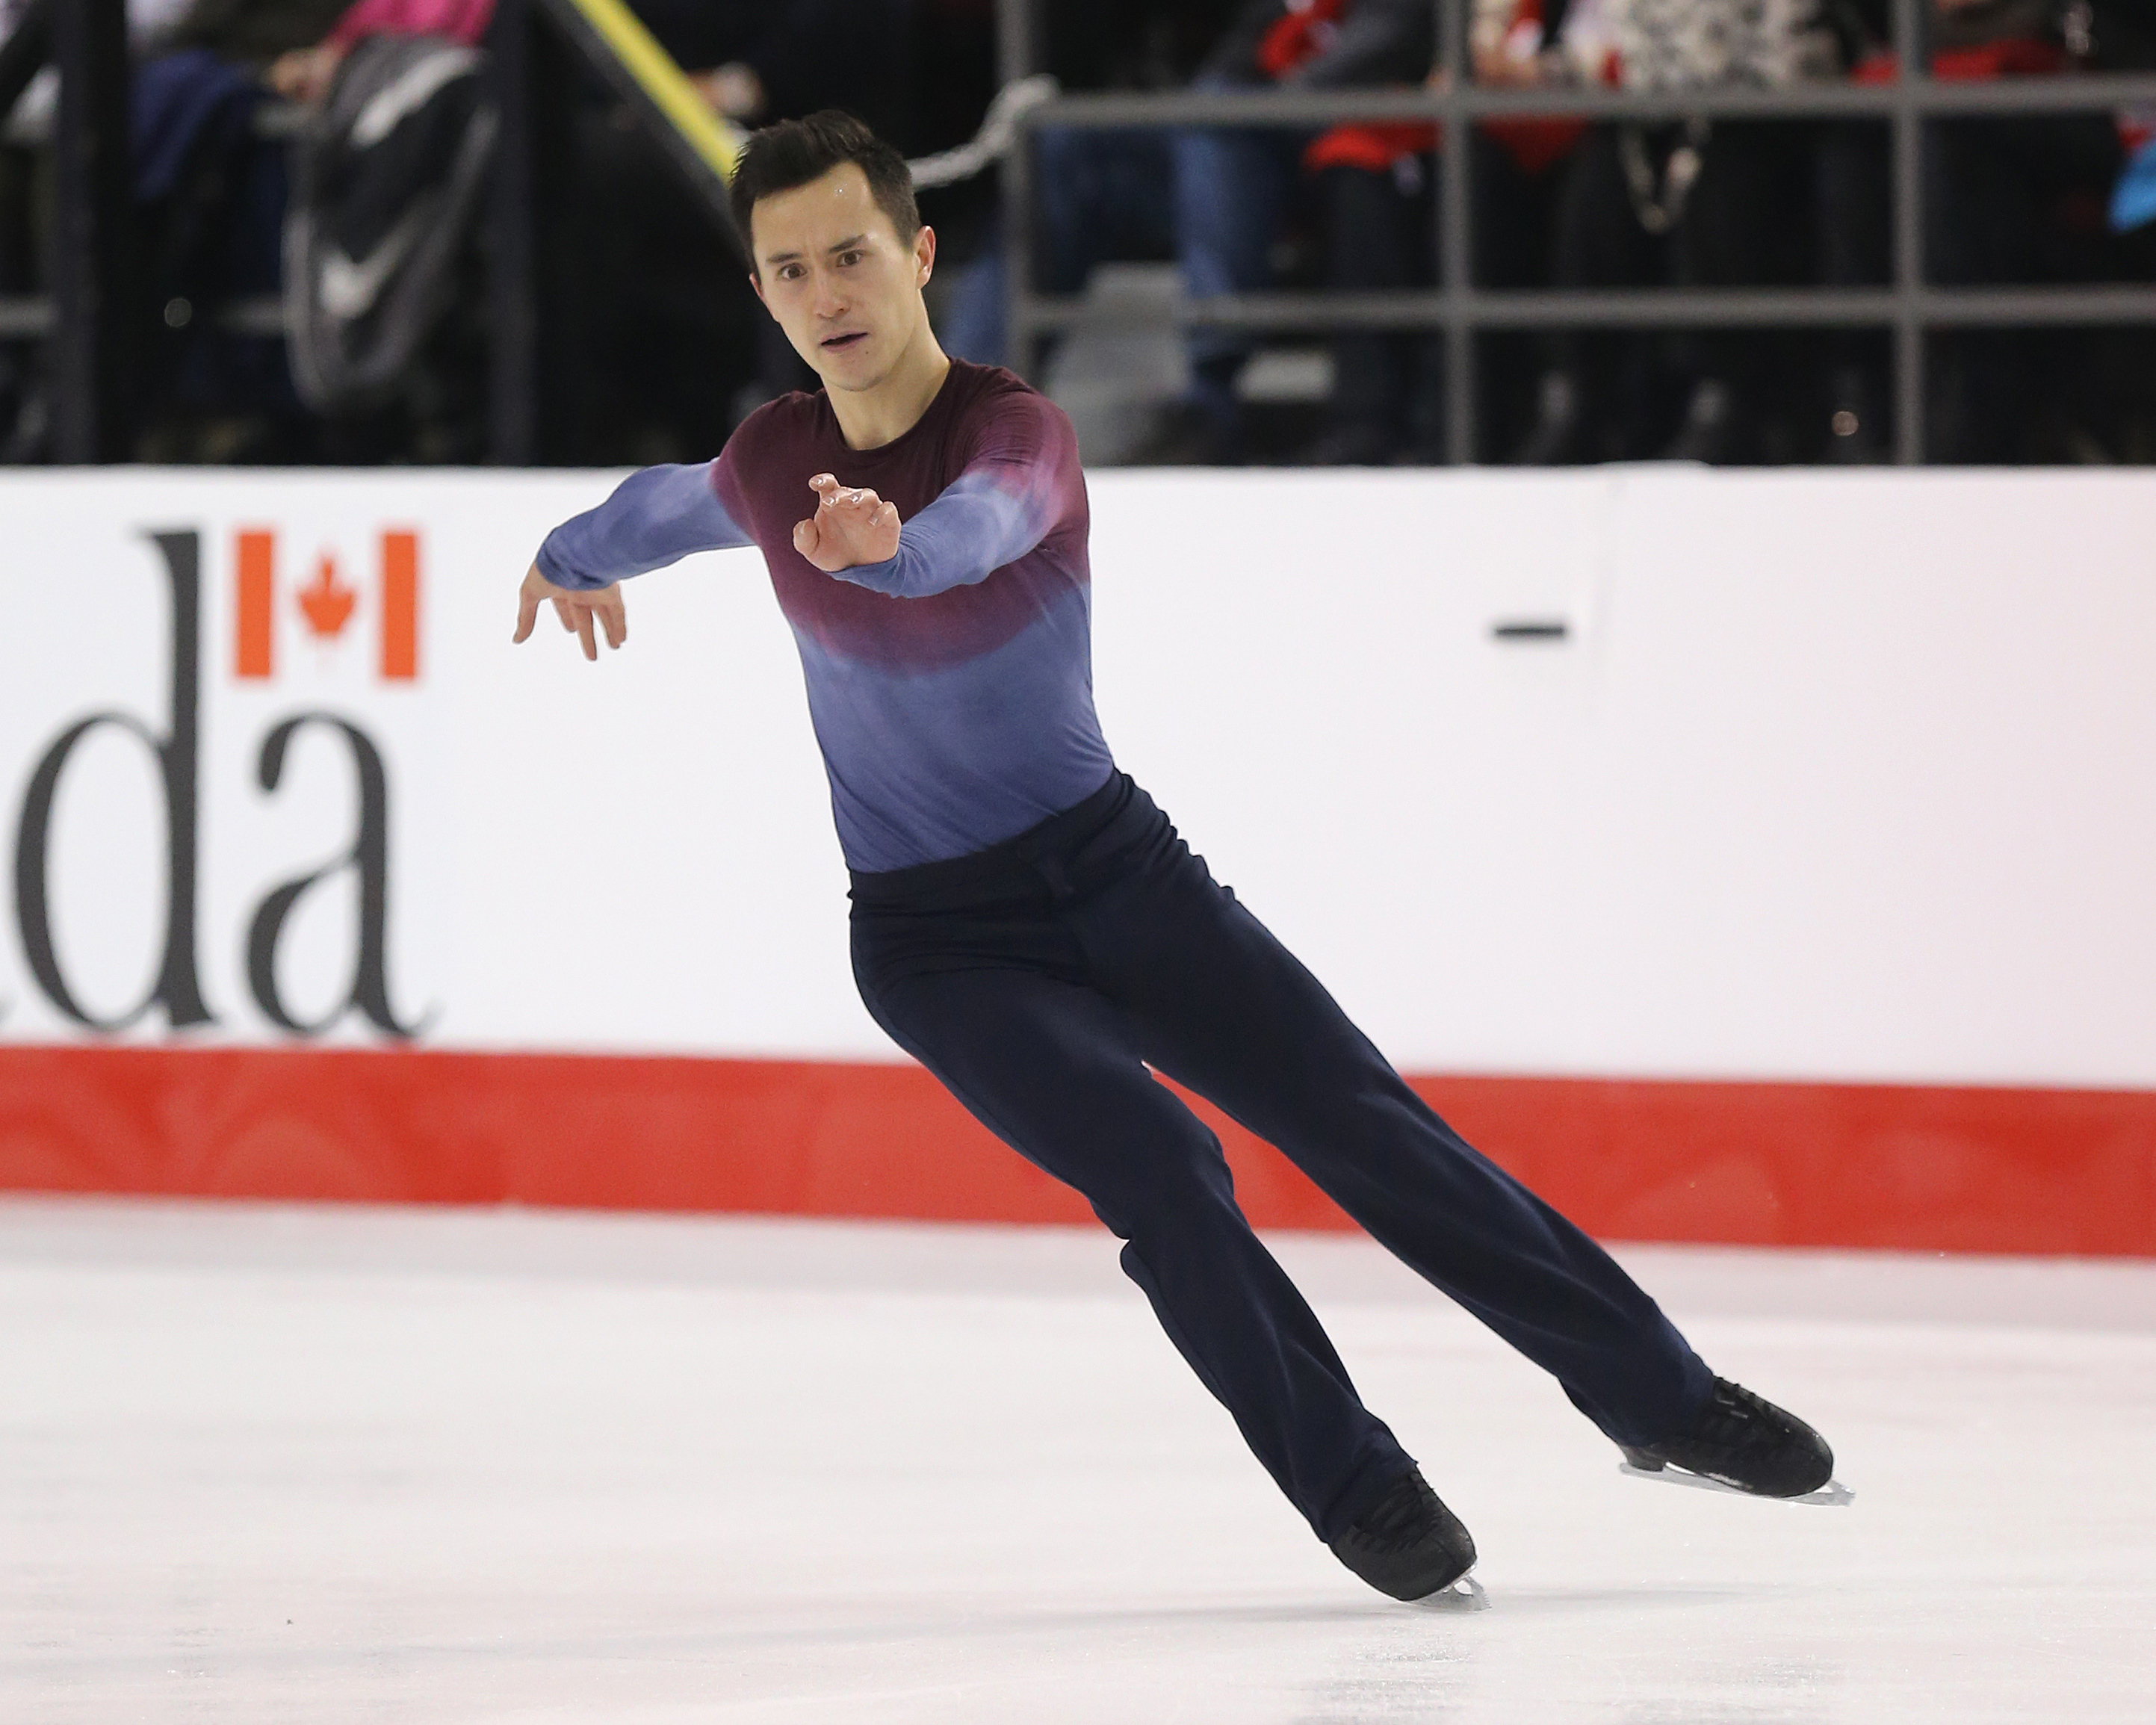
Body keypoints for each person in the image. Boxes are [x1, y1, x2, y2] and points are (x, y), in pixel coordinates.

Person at [512, 110, 1837, 1601]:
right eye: (793, 268)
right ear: (763, 292)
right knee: (1166, 1169)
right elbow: (661, 509)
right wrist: (568, 557)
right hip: (939, 947)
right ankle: (1359, 1487)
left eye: (855, 254)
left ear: (920, 253)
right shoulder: (771, 465)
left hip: (1122, 878)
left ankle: (1662, 1398)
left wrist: (888, 545)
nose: (830, 292)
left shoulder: (1019, 437)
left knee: (1372, 1129)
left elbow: (976, 533)